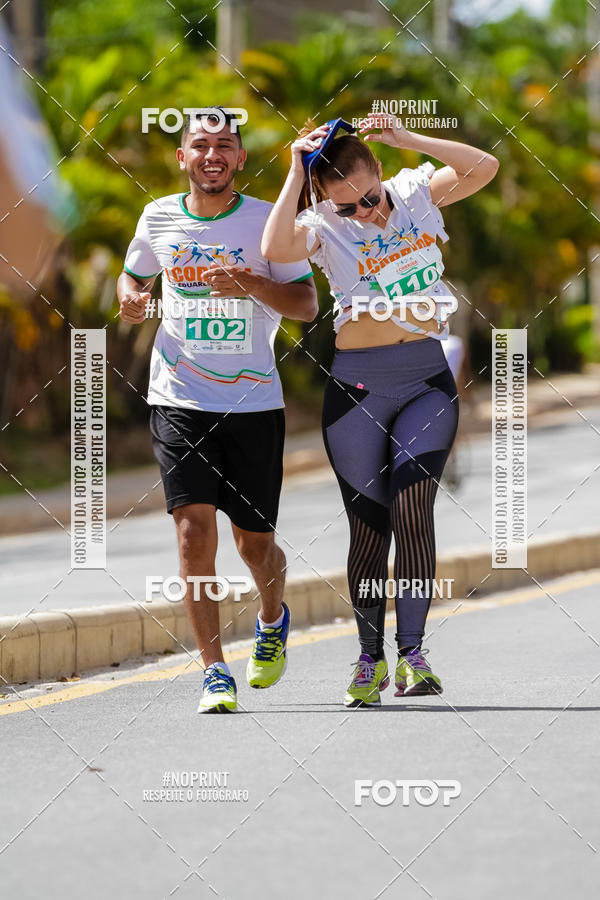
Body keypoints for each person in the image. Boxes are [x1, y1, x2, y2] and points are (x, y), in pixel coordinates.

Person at [261, 113, 498, 707]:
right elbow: (274, 248)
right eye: (347, 206)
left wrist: (409, 138)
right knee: (369, 529)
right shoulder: (322, 225)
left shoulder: (416, 194)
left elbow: (484, 167)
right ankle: (369, 659)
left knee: (414, 512)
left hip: (425, 384)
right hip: (357, 392)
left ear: (381, 172)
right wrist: (296, 171)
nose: (363, 212)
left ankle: (413, 655)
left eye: (369, 197)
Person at [118, 110, 317, 713]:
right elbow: (132, 278)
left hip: (253, 403)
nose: (212, 155)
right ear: (182, 157)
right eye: (200, 145)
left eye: (224, 145)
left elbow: (307, 304)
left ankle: (272, 617)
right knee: (192, 533)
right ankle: (214, 672)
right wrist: (131, 300)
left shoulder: (268, 221)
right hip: (179, 397)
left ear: (240, 157)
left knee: (254, 545)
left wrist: (252, 284)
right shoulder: (157, 217)